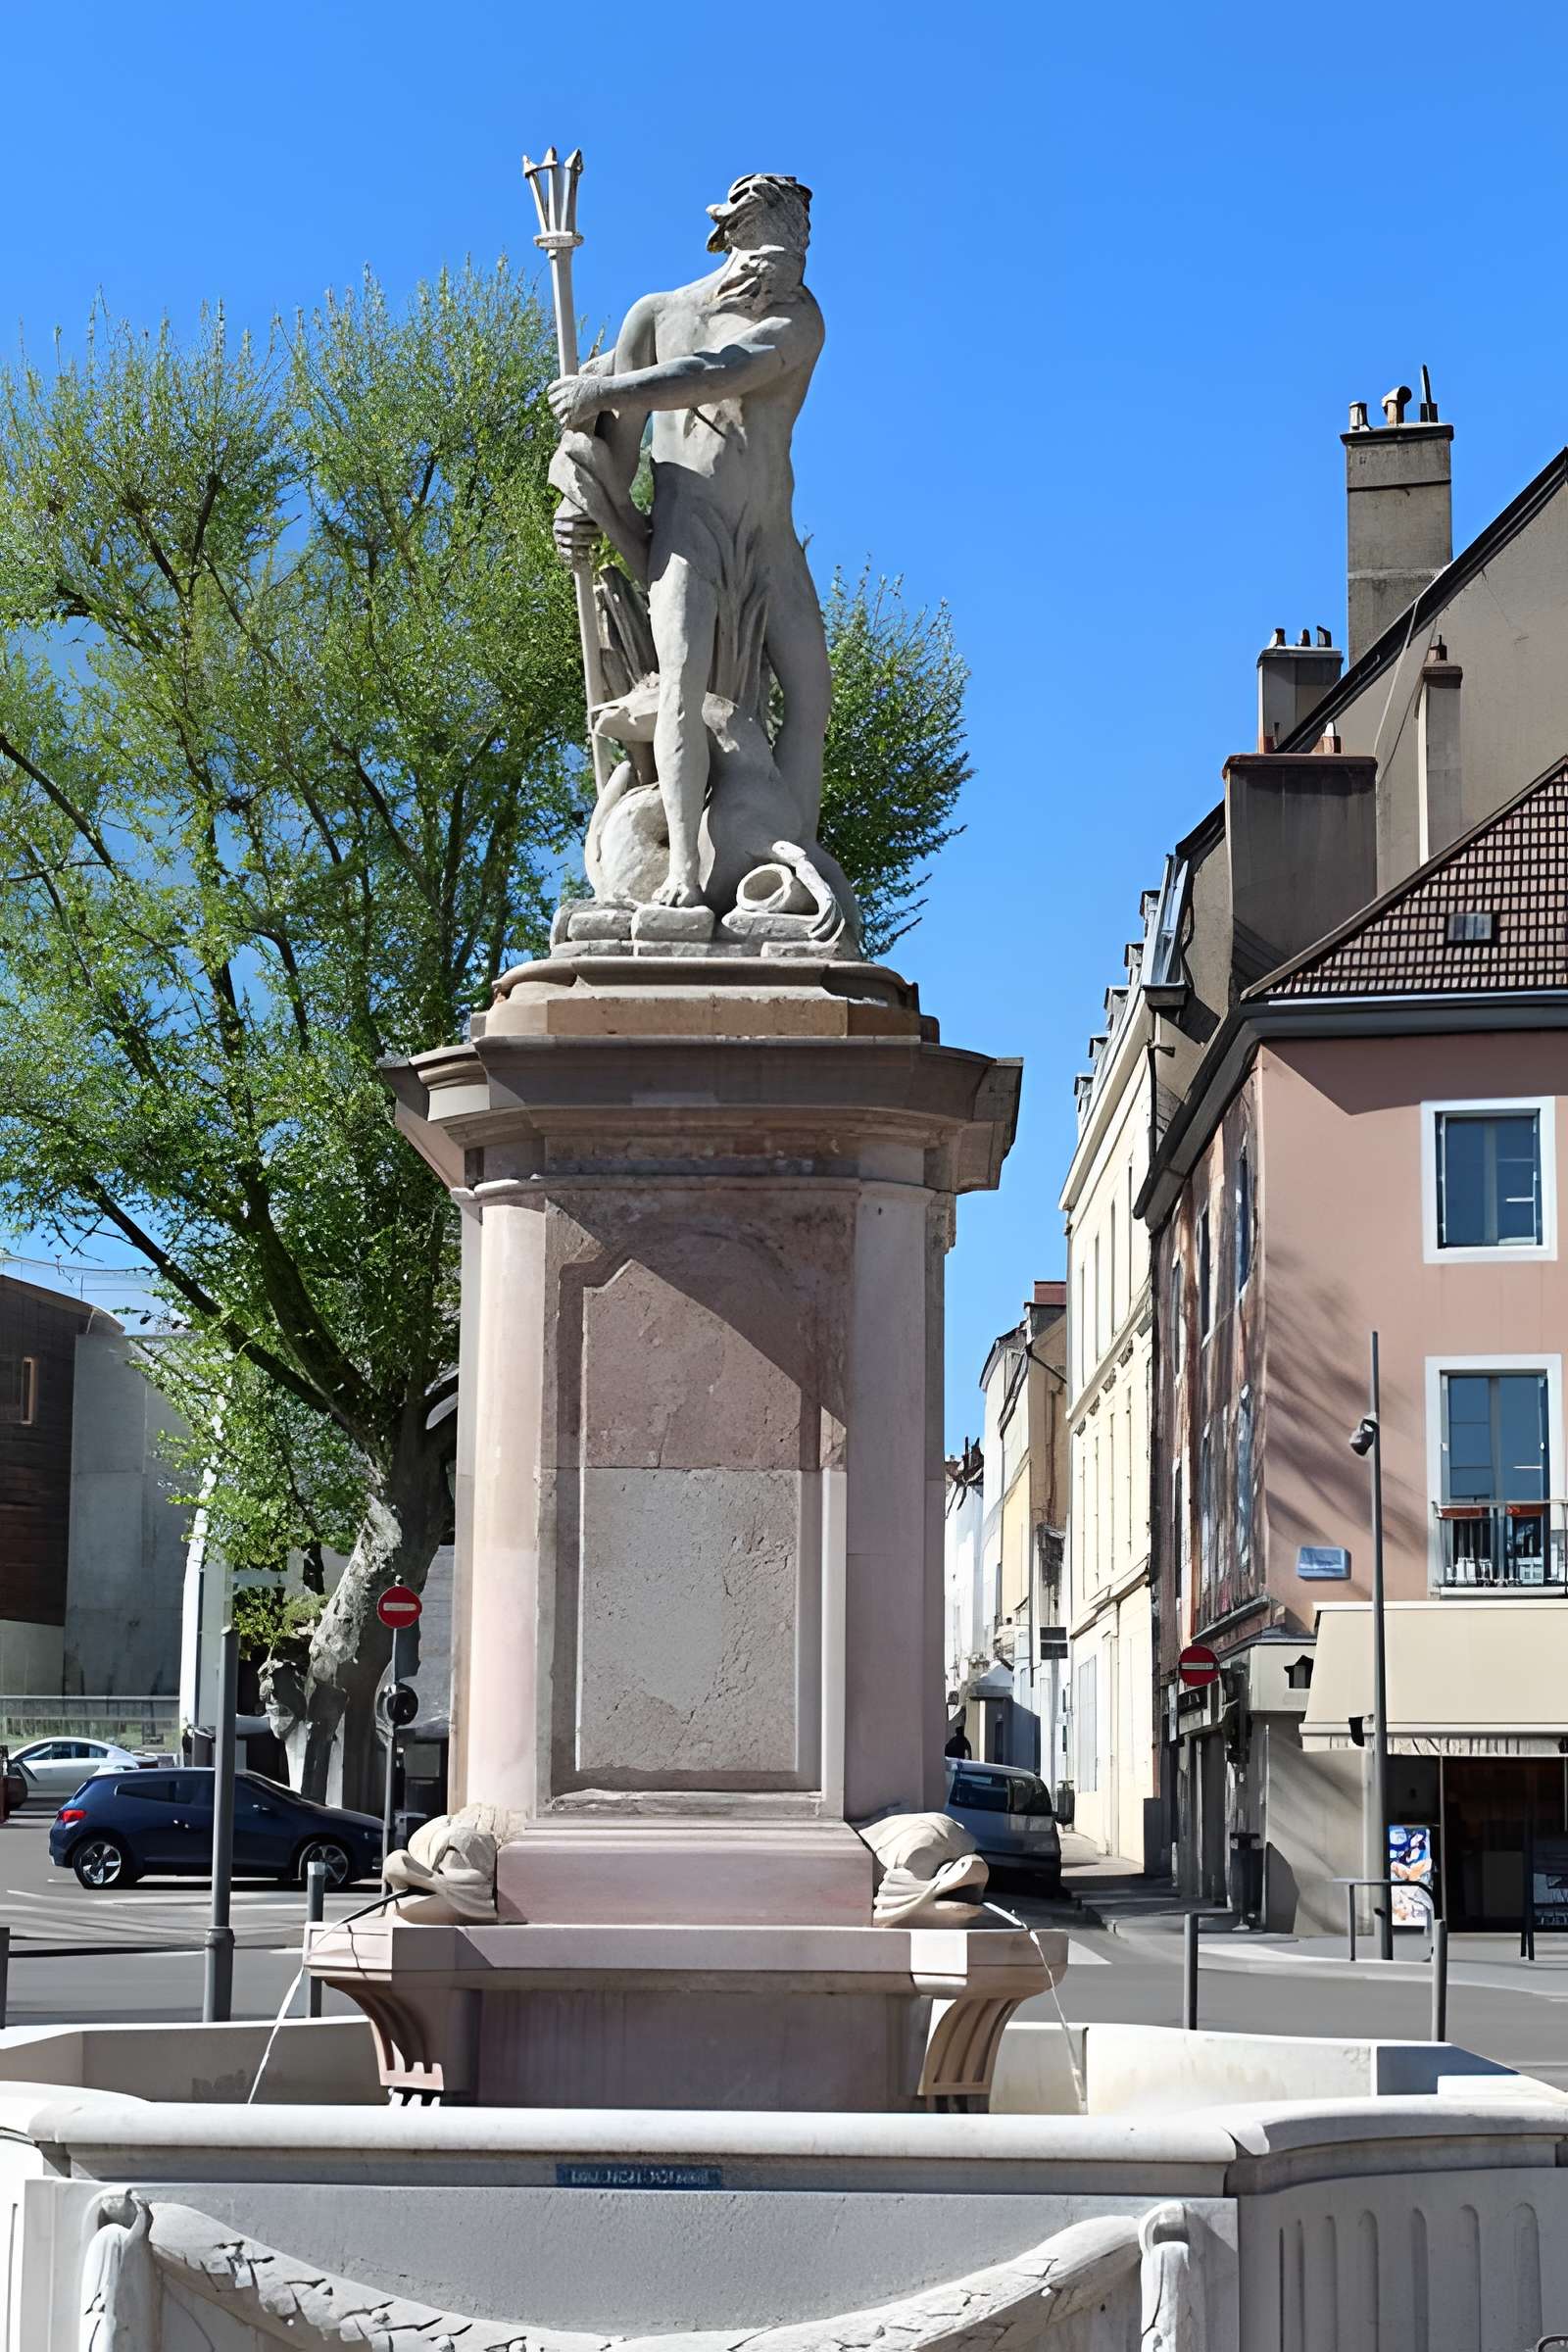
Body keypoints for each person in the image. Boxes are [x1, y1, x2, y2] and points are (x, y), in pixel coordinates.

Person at [546, 172, 830, 910]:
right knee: (677, 690)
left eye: (794, 265)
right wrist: (583, 507)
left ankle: (786, 859)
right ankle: (682, 877)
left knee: (812, 693)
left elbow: (722, 372)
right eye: (769, 262)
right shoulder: (657, 316)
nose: (779, 282)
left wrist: (605, 388)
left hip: (767, 536)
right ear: (732, 239)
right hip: (689, 531)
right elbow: (614, 452)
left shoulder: (800, 320)